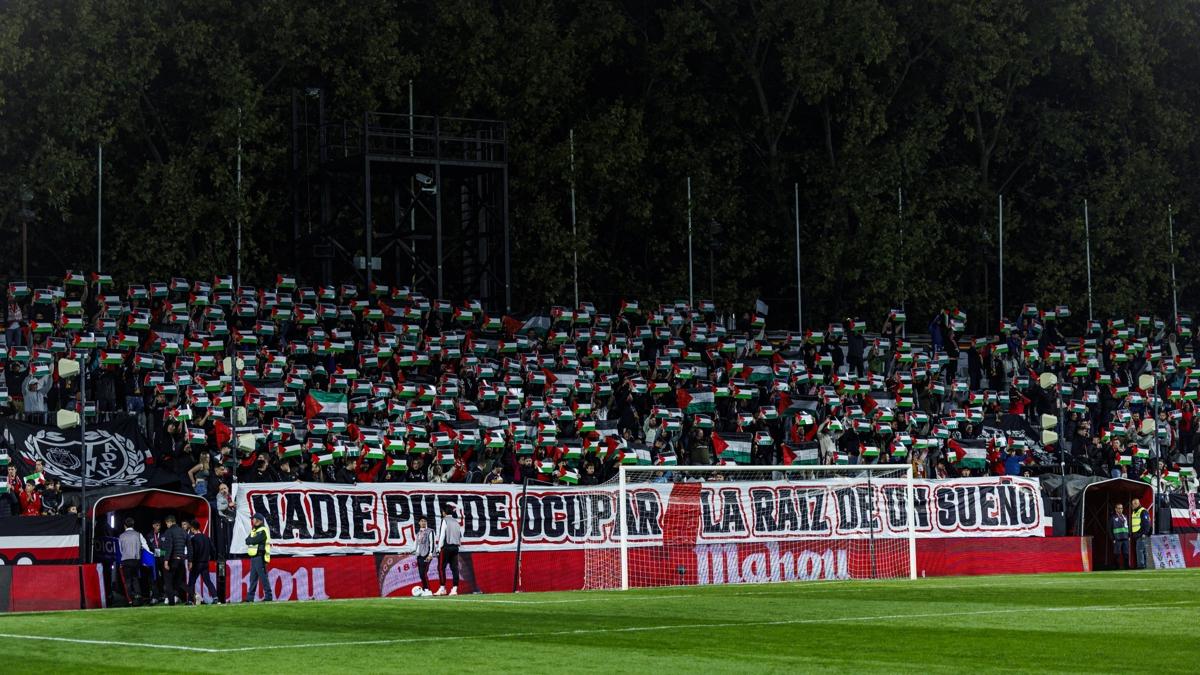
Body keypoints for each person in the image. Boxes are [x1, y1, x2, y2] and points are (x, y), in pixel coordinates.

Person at [117, 517, 149, 606]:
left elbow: (121, 550)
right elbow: (145, 546)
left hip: (125, 560)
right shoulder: (138, 534)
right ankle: (138, 598)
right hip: (135, 560)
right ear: (133, 525)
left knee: (128, 580)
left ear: (124, 526)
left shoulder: (121, 536)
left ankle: (130, 599)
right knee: (135, 579)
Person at [185, 520, 219, 605]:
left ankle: (190, 600)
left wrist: (190, 562)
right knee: (208, 581)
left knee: (191, 582)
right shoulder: (206, 537)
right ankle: (215, 597)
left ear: (192, 529)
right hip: (205, 563)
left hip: (196, 563)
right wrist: (212, 558)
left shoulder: (193, 539)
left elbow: (192, 552)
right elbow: (213, 550)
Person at [243, 512, 273, 602]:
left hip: (260, 557)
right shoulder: (254, 530)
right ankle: (250, 598)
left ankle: (268, 596)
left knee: (263, 578)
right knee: (253, 578)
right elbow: (247, 540)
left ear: (258, 520)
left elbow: (254, 540)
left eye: (254, 518)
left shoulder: (263, 530)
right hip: (254, 557)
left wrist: (251, 540)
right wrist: (252, 540)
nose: (252, 520)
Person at [434, 503, 462, 595]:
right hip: (455, 547)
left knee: (441, 568)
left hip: (446, 547)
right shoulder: (456, 521)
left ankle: (442, 588)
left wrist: (439, 548)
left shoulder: (444, 520)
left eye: (442, 511)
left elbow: (442, 535)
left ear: (444, 512)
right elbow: (460, 535)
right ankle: (454, 589)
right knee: (455, 568)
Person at [160, 514, 188, 605]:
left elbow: (169, 547)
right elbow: (190, 547)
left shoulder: (169, 531)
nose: (167, 525)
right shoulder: (183, 532)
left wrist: (166, 561)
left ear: (169, 522)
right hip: (182, 560)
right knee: (179, 582)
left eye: (167, 523)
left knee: (168, 582)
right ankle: (194, 595)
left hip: (173, 560)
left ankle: (171, 603)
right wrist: (190, 561)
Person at [413, 516, 435, 596]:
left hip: (426, 555)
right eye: (422, 521)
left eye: (425, 521)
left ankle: (428, 590)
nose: (423, 522)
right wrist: (411, 551)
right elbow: (416, 545)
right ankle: (425, 589)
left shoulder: (430, 531)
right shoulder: (418, 533)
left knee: (423, 573)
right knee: (421, 574)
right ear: (419, 523)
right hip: (419, 555)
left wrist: (430, 554)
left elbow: (432, 543)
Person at [1130, 498, 1151, 570]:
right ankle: (1144, 565)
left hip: (1141, 534)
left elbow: (1147, 523)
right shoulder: (1134, 512)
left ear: (1139, 503)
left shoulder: (1142, 511)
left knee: (1140, 550)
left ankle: (1141, 566)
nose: (1134, 505)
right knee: (1142, 550)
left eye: (1136, 503)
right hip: (1136, 535)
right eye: (1133, 504)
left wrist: (1144, 533)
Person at [1110, 503, 1130, 570]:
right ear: (1115, 509)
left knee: (1126, 554)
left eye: (1121, 508)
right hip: (1117, 539)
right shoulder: (1113, 517)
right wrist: (1113, 538)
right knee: (1117, 554)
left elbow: (1128, 527)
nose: (1120, 510)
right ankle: (1116, 567)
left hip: (1125, 538)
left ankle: (1126, 567)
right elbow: (1109, 529)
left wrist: (1129, 536)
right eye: (1118, 508)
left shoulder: (1125, 516)